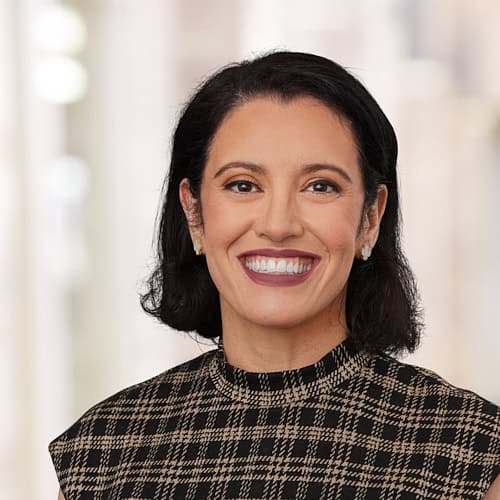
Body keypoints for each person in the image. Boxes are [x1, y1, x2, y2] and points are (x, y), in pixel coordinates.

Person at [49, 51, 500, 499]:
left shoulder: (467, 450)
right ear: (194, 212)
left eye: (320, 186)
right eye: (243, 185)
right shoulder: (104, 451)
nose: (279, 224)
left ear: (370, 218)